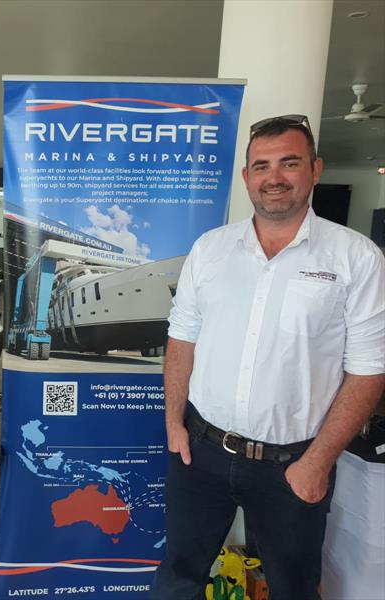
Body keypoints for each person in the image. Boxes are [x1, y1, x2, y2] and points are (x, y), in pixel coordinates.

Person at [150, 115, 385, 600]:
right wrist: (174, 424)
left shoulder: (355, 258)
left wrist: (317, 463)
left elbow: (369, 370)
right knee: (178, 577)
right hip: (200, 453)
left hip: (294, 463)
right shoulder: (211, 250)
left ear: (314, 170)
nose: (273, 177)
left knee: (293, 588)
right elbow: (182, 339)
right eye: (262, 165)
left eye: (289, 163)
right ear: (246, 177)